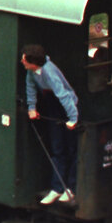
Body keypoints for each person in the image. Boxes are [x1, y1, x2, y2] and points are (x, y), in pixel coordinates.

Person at [22, 43, 78, 205]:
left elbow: (64, 96)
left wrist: (73, 118)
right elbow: (30, 88)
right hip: (53, 106)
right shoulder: (31, 72)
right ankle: (57, 188)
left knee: (71, 148)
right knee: (57, 147)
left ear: (33, 62)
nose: (21, 61)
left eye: (24, 59)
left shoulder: (49, 72)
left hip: (66, 108)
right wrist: (32, 107)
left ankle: (71, 188)